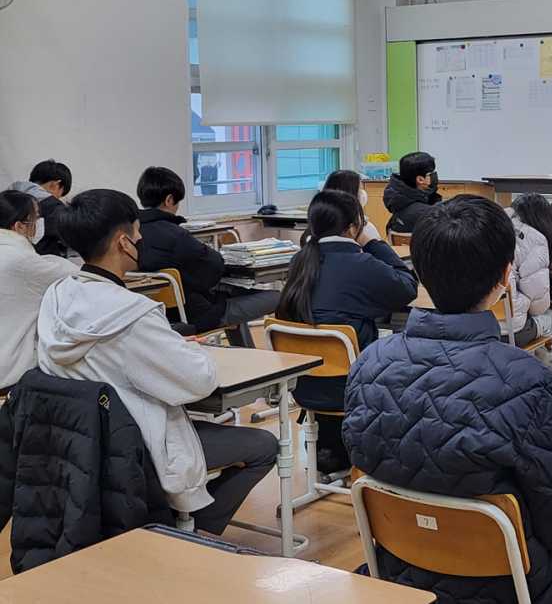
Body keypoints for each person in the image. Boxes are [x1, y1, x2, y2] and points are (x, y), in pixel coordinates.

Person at [343, 196, 552, 604]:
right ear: (506, 276)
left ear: (418, 272)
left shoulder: (368, 364)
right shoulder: (528, 380)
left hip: (398, 568)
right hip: (512, 581)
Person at [35, 188, 278, 533]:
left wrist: (166, 343)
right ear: (122, 242)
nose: (141, 239)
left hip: (76, 443)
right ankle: (196, 531)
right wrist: (188, 348)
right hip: (137, 445)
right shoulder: (133, 314)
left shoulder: (57, 296)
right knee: (264, 445)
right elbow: (198, 381)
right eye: (137, 233)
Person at [276, 189, 417, 474]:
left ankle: (331, 457)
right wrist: (375, 242)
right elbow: (407, 287)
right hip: (353, 389)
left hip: (305, 388)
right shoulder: (360, 263)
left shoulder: (300, 262)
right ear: (354, 227)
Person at [136, 167, 279, 344]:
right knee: (279, 297)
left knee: (230, 291)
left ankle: (245, 353)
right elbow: (214, 266)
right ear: (169, 199)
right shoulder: (175, 235)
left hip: (161, 314)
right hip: (200, 315)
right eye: (177, 202)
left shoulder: (132, 234)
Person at [0, 190, 76, 390]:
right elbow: (69, 273)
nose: (40, 223)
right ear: (18, 226)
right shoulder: (20, 260)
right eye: (36, 218)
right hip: (11, 375)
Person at [507, 193, 552, 392]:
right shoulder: (535, 241)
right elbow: (538, 307)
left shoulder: (496, 228)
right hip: (512, 330)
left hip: (481, 324)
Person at [7, 159, 73, 257]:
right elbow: (73, 236)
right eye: (60, 194)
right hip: (36, 264)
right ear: (55, 185)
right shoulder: (53, 207)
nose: (58, 198)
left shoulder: (6, 197)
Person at [382, 151, 441, 234]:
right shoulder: (426, 213)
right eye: (431, 173)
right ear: (420, 179)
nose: (434, 175)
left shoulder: (399, 199)